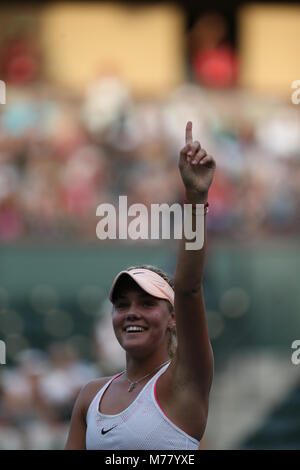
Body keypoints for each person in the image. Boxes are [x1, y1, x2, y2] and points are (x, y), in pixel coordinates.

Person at [65, 121, 216, 450]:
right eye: (122, 305)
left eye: (147, 303)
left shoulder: (184, 381)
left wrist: (195, 196)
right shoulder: (90, 396)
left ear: (172, 317)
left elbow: (189, 288)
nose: (131, 313)